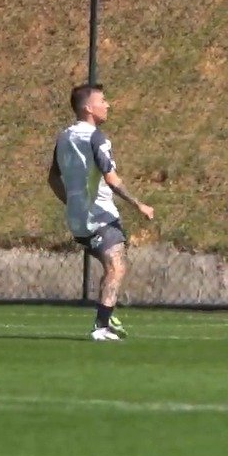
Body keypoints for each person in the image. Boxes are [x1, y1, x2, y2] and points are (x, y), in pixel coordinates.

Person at [48, 83, 154, 341]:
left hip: (77, 220)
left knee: (112, 264)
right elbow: (111, 179)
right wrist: (138, 204)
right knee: (116, 266)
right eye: (103, 100)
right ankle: (102, 325)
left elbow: (53, 178)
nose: (108, 105)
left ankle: (108, 311)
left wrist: (72, 203)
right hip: (100, 216)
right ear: (88, 107)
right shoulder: (97, 138)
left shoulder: (64, 137)